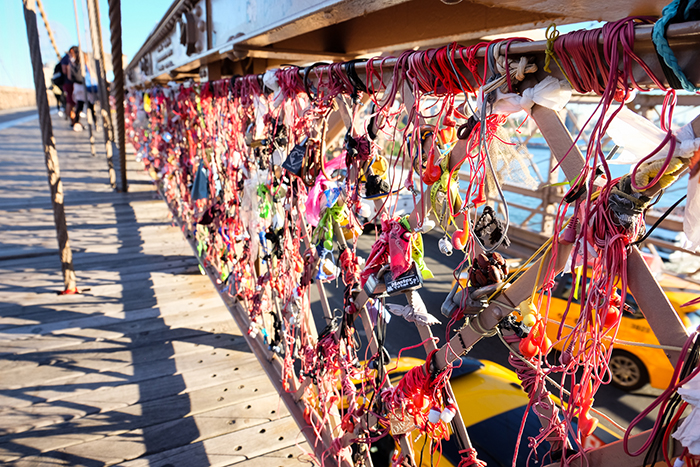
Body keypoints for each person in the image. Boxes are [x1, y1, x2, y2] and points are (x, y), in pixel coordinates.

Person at [60, 46, 78, 123]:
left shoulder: (69, 58)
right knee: (70, 101)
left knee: (72, 101)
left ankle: (72, 118)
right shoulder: (66, 58)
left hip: (71, 82)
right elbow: (64, 71)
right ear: (71, 50)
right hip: (68, 82)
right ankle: (71, 120)